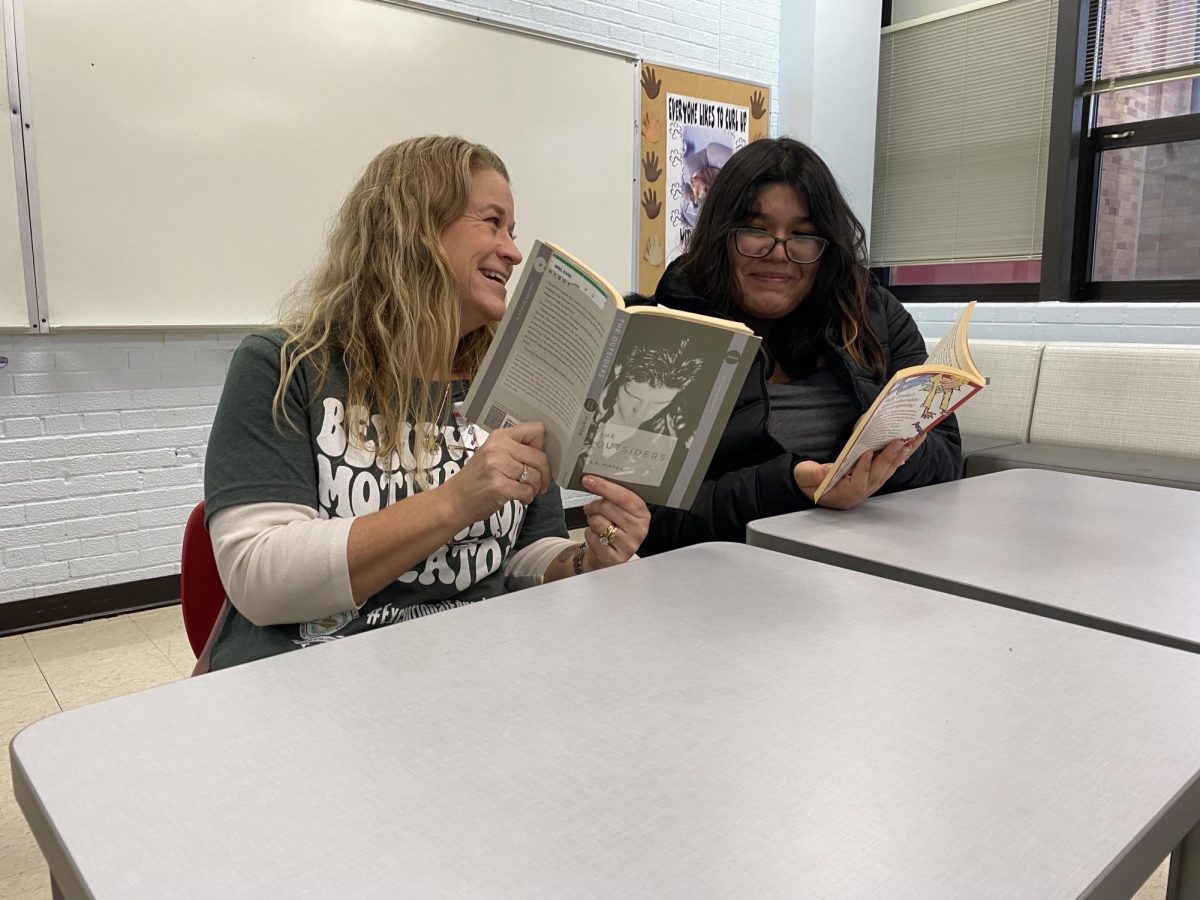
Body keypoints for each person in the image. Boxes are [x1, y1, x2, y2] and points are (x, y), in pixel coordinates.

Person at [200, 136, 649, 671]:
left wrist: (586, 559)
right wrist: (455, 501)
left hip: (463, 673)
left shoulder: (508, 384)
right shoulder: (286, 365)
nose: (512, 250)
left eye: (513, 231)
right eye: (491, 222)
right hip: (304, 677)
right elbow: (258, 577)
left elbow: (525, 556)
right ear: (415, 229)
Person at [636, 137, 962, 555]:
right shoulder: (667, 332)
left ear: (827, 247)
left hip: (874, 567)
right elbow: (651, 523)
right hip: (721, 582)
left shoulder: (871, 313)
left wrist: (891, 457)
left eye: (803, 235)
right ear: (720, 235)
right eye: (755, 230)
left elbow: (947, 458)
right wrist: (792, 489)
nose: (778, 252)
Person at [576, 339, 704, 487]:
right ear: (618, 369)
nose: (640, 414)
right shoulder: (584, 393)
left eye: (660, 403)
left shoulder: (683, 432)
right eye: (633, 396)